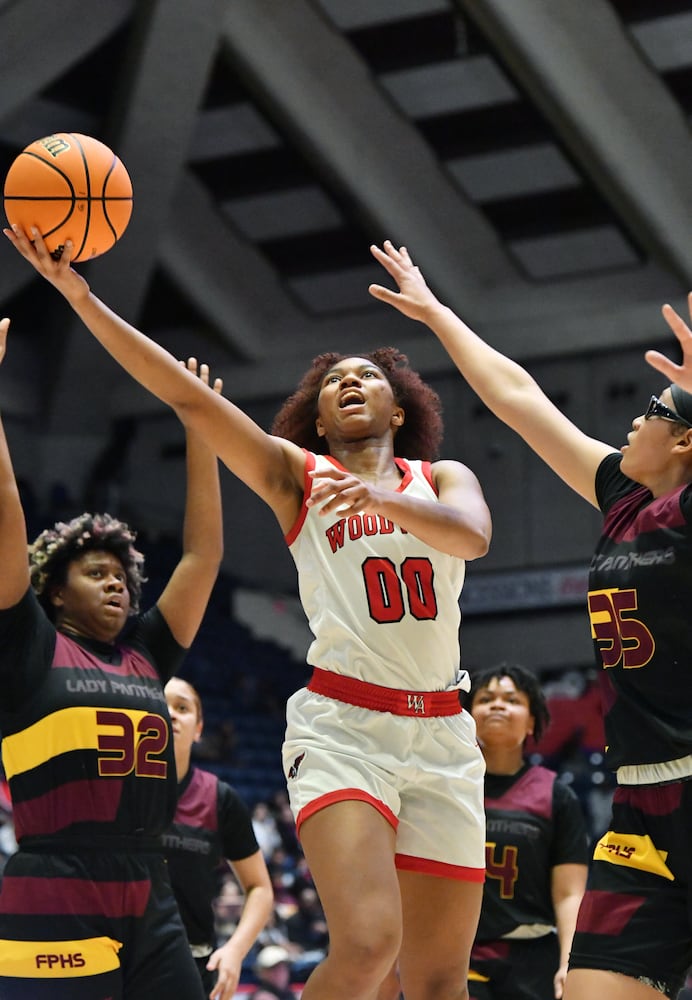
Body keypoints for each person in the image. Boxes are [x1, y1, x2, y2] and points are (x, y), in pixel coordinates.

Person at [5, 225, 493, 1000]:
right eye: (335, 384)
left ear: (401, 409)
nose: (351, 382)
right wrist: (81, 297)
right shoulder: (300, 476)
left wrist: (380, 497)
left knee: (439, 981)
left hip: (442, 733)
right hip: (346, 728)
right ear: (320, 421)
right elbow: (181, 393)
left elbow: (472, 537)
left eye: (369, 375)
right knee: (369, 946)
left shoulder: (443, 476)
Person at [367, 239, 692, 1000]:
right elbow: (518, 399)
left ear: (685, 440)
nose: (631, 422)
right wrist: (438, 313)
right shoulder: (622, 499)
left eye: (650, 411)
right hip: (643, 807)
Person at [0, 314, 223, 998]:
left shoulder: (148, 654)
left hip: (147, 887)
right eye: (95, 572)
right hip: (55, 882)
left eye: (122, 574)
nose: (116, 582)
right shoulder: (29, 645)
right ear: (53, 591)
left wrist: (198, 425)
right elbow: (4, 503)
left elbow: (202, 554)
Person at [465, 663, 589, 1000]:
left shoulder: (555, 794)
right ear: (467, 715)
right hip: (459, 953)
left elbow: (569, 894)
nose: (498, 705)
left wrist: (569, 963)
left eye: (512, 699)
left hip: (534, 959)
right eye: (486, 698)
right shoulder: (449, 790)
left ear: (532, 719)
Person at [162, 676, 274, 1000]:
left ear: (198, 729)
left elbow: (260, 889)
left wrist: (236, 950)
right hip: (121, 963)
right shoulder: (114, 790)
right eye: (160, 704)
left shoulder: (219, 799)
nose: (170, 714)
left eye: (182, 707)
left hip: (191, 967)